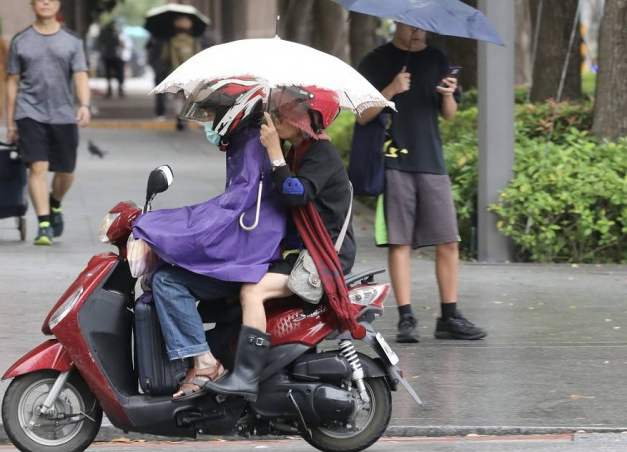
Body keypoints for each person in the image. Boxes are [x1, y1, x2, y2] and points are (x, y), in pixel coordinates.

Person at [132, 79, 286, 399]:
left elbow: (228, 212)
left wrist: (159, 228)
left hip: (249, 256)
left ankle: (204, 364)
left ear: (236, 111)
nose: (211, 122)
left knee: (167, 282)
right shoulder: (245, 142)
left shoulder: (253, 146)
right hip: (246, 251)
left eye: (215, 112)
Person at [207, 86, 361, 401]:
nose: (280, 118)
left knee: (253, 291)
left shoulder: (321, 154)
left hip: (321, 257)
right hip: (301, 251)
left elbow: (295, 193)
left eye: (289, 113)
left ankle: (246, 378)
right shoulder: (298, 150)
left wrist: (275, 153)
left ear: (309, 120)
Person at [357, 23, 487, 342]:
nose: (417, 32)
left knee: (448, 241)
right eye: (410, 26)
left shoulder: (438, 59)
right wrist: (390, 89)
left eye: (421, 28)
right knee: (400, 242)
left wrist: (447, 96)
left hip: (432, 161)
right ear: (397, 23)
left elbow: (451, 113)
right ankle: (406, 318)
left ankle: (449, 316)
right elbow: (361, 115)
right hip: (394, 161)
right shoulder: (376, 60)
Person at [6, 0, 90, 246]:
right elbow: (11, 82)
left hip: (63, 114)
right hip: (29, 113)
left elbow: (81, 74)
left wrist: (84, 105)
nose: (45, 2)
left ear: (58, 4)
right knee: (38, 167)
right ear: (32, 5)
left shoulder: (72, 41)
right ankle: (44, 225)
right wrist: (11, 122)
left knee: (66, 171)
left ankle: (54, 204)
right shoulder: (20, 40)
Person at [162, 15, 202, 130]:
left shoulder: (171, 42)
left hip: (175, 74)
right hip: (191, 74)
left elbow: (164, 57)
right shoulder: (193, 42)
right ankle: (190, 118)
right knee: (190, 97)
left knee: (178, 97)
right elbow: (200, 56)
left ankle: (179, 118)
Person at [98, 21, 125, 98]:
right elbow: (119, 44)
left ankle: (111, 90)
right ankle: (119, 89)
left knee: (109, 74)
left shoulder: (104, 35)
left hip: (108, 56)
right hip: (114, 56)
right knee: (118, 73)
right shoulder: (114, 35)